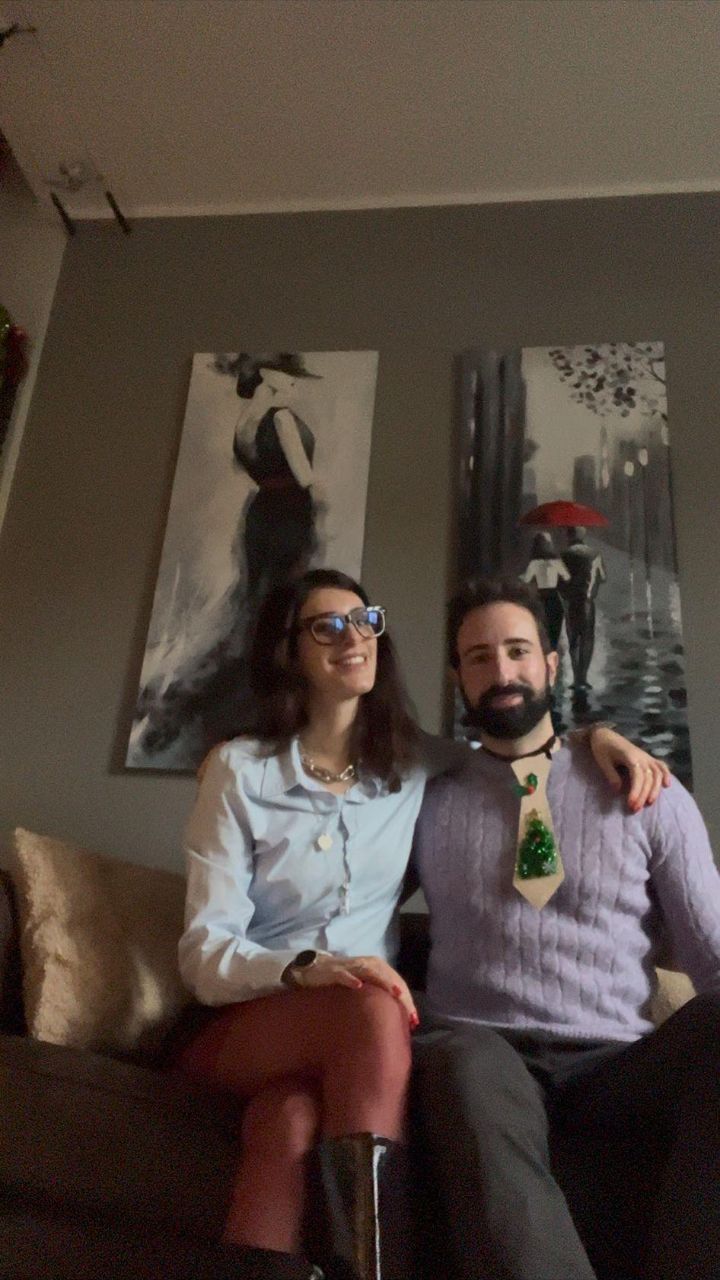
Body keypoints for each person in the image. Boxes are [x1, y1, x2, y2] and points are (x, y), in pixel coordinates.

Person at [176, 569, 669, 1280]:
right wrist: (309, 969)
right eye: (327, 626)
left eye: (365, 620)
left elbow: (518, 740)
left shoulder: (412, 763)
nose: (354, 637)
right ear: (289, 650)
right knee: (373, 1008)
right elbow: (203, 955)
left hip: (351, 1039)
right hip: (245, 1020)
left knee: (287, 1122)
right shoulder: (239, 771)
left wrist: (598, 736)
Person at [411, 576, 720, 1280]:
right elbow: (346, 896)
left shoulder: (645, 789)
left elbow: (713, 959)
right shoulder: (422, 801)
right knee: (463, 1062)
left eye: (519, 650)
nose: (502, 671)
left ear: (551, 664)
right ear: (458, 677)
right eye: (480, 657)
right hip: (486, 1053)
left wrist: (593, 737)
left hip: (616, 1064)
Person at [230, 353, 322, 605]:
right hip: (292, 512)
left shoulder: (245, 423)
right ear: (268, 376)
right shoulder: (282, 417)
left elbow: (252, 467)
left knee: (256, 586)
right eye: (289, 377)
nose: (294, 383)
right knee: (286, 589)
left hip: (261, 511)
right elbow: (305, 477)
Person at [560, 525, 607, 689]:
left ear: (569, 536)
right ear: (583, 535)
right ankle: (583, 677)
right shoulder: (594, 554)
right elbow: (603, 577)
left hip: (571, 602)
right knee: (587, 639)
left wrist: (565, 592)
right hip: (587, 602)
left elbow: (560, 578)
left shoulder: (564, 555)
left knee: (573, 639)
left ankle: (576, 677)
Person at [520, 531, 570, 650]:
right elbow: (567, 577)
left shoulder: (534, 564)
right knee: (554, 636)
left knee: (541, 635)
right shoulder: (556, 563)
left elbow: (526, 579)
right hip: (554, 601)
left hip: (540, 600)